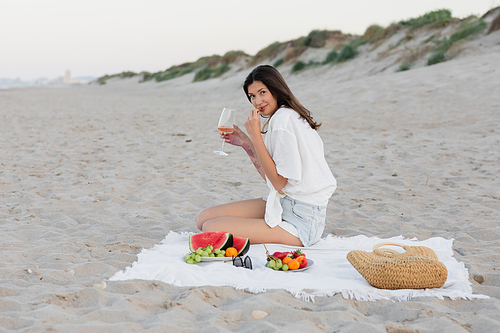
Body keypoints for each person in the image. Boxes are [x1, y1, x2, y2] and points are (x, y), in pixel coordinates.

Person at [196, 65, 336, 247]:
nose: (257, 101)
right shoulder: (283, 116)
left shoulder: (282, 120)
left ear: (276, 89)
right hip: (284, 201)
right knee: (203, 218)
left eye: (262, 92)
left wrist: (255, 136)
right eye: (252, 96)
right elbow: (272, 178)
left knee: (210, 227)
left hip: (302, 221)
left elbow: (278, 182)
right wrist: (246, 143)